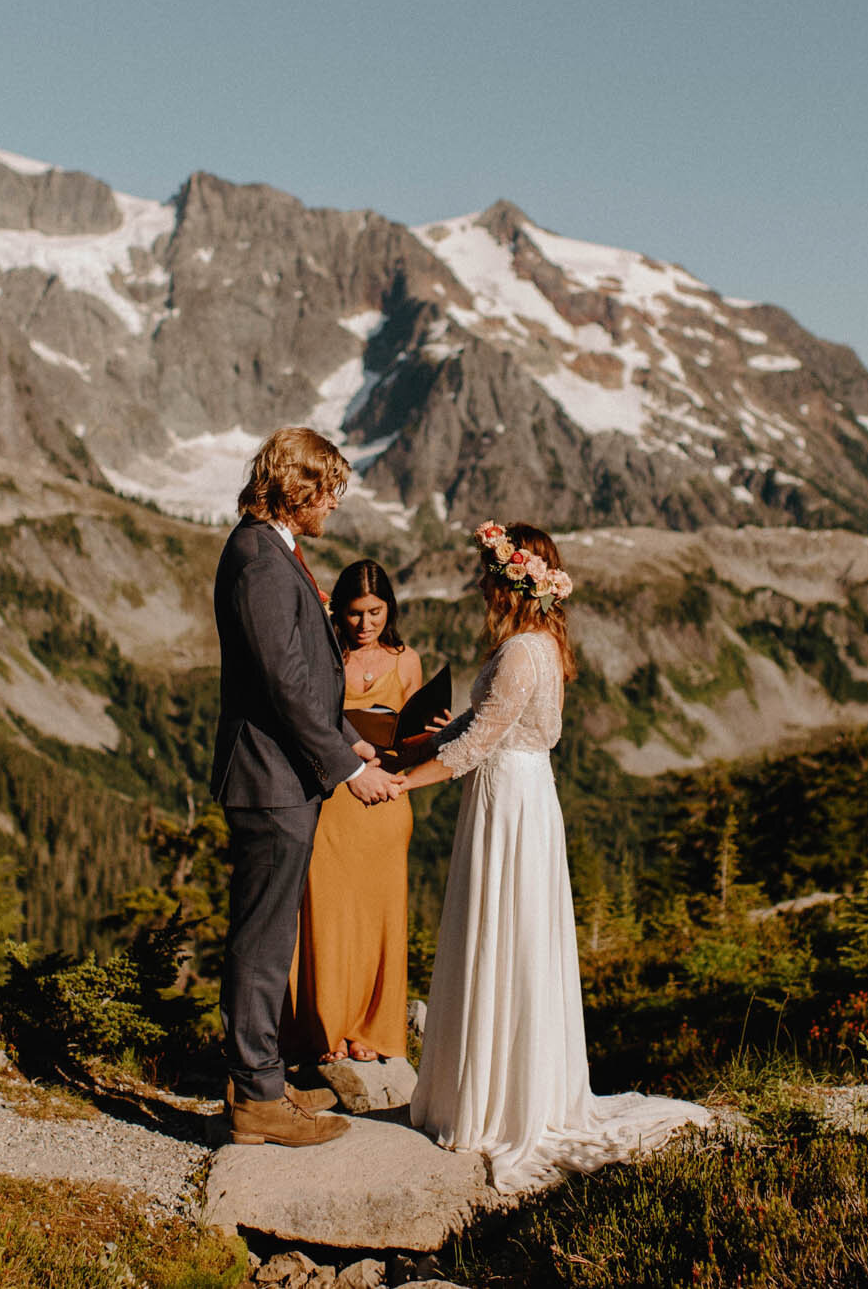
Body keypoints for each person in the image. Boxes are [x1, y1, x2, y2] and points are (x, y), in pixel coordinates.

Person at [402, 521, 709, 1190]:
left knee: (498, 936)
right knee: (515, 942)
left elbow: (475, 748)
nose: (482, 582)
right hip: (526, 797)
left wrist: (401, 780)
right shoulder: (542, 645)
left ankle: (490, 1102)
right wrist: (444, 730)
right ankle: (507, 1086)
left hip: (506, 802)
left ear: (509, 581)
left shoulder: (518, 651)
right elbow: (493, 724)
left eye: (489, 572)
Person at [212, 428, 406, 1147]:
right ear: (298, 487)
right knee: (263, 938)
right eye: (328, 490)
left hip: (283, 771)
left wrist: (347, 736)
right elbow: (282, 680)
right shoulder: (259, 556)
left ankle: (258, 1079)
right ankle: (256, 1097)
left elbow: (297, 677)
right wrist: (350, 766)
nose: (334, 504)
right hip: (269, 776)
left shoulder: (272, 549)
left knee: (269, 931)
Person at [289, 560, 425, 1066]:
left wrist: (432, 733)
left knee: (379, 915)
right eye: (353, 613)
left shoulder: (407, 660)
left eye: (375, 612)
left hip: (387, 800)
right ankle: (324, 1030)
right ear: (337, 613)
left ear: (389, 608)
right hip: (332, 799)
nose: (365, 624)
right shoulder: (323, 656)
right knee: (328, 914)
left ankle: (373, 1029)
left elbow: (416, 738)